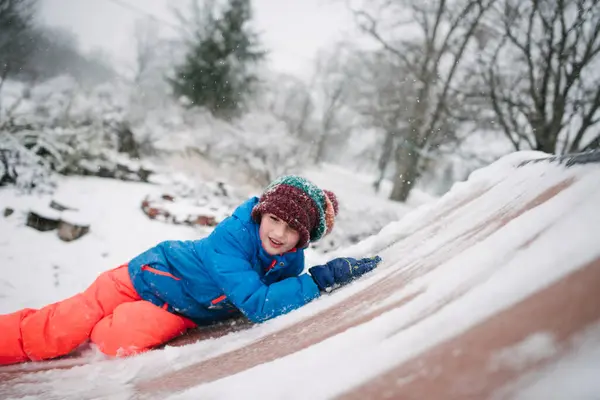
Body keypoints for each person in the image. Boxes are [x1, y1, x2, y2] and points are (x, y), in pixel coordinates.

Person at [0, 175, 381, 365]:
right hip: (140, 278)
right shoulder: (231, 238)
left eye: (293, 229)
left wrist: (312, 281)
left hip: (181, 311)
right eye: (275, 220)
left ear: (304, 237)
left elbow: (280, 299)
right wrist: (319, 280)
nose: (279, 233)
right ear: (261, 212)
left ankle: (104, 325)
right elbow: (259, 303)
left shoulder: (290, 259)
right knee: (56, 331)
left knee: (115, 341)